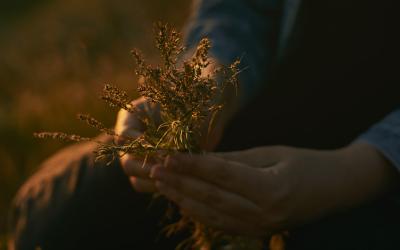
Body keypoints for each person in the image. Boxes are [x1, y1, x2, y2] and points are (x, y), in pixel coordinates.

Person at [9, 0, 400, 249]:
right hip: (266, 114)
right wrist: (207, 83)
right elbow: (239, 9)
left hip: (381, 174)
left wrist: (359, 170)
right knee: (58, 217)